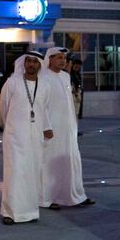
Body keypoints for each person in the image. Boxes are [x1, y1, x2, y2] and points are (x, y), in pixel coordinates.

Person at [0, 51, 53, 224]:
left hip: (35, 136)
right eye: (28, 61)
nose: (31, 64)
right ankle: (10, 212)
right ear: (24, 63)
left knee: (32, 172)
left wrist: (46, 127)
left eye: (35, 62)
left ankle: (30, 211)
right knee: (15, 173)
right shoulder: (12, 83)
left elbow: (44, 109)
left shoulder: (45, 85)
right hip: (15, 136)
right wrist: (14, 126)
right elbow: (4, 108)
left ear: (40, 65)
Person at [40, 47, 94, 209]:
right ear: (49, 59)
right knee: (51, 163)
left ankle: (75, 195)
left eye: (64, 58)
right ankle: (49, 198)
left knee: (71, 161)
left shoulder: (65, 76)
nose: (62, 61)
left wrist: (73, 124)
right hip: (52, 130)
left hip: (68, 128)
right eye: (58, 58)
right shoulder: (42, 77)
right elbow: (41, 106)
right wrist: (45, 126)